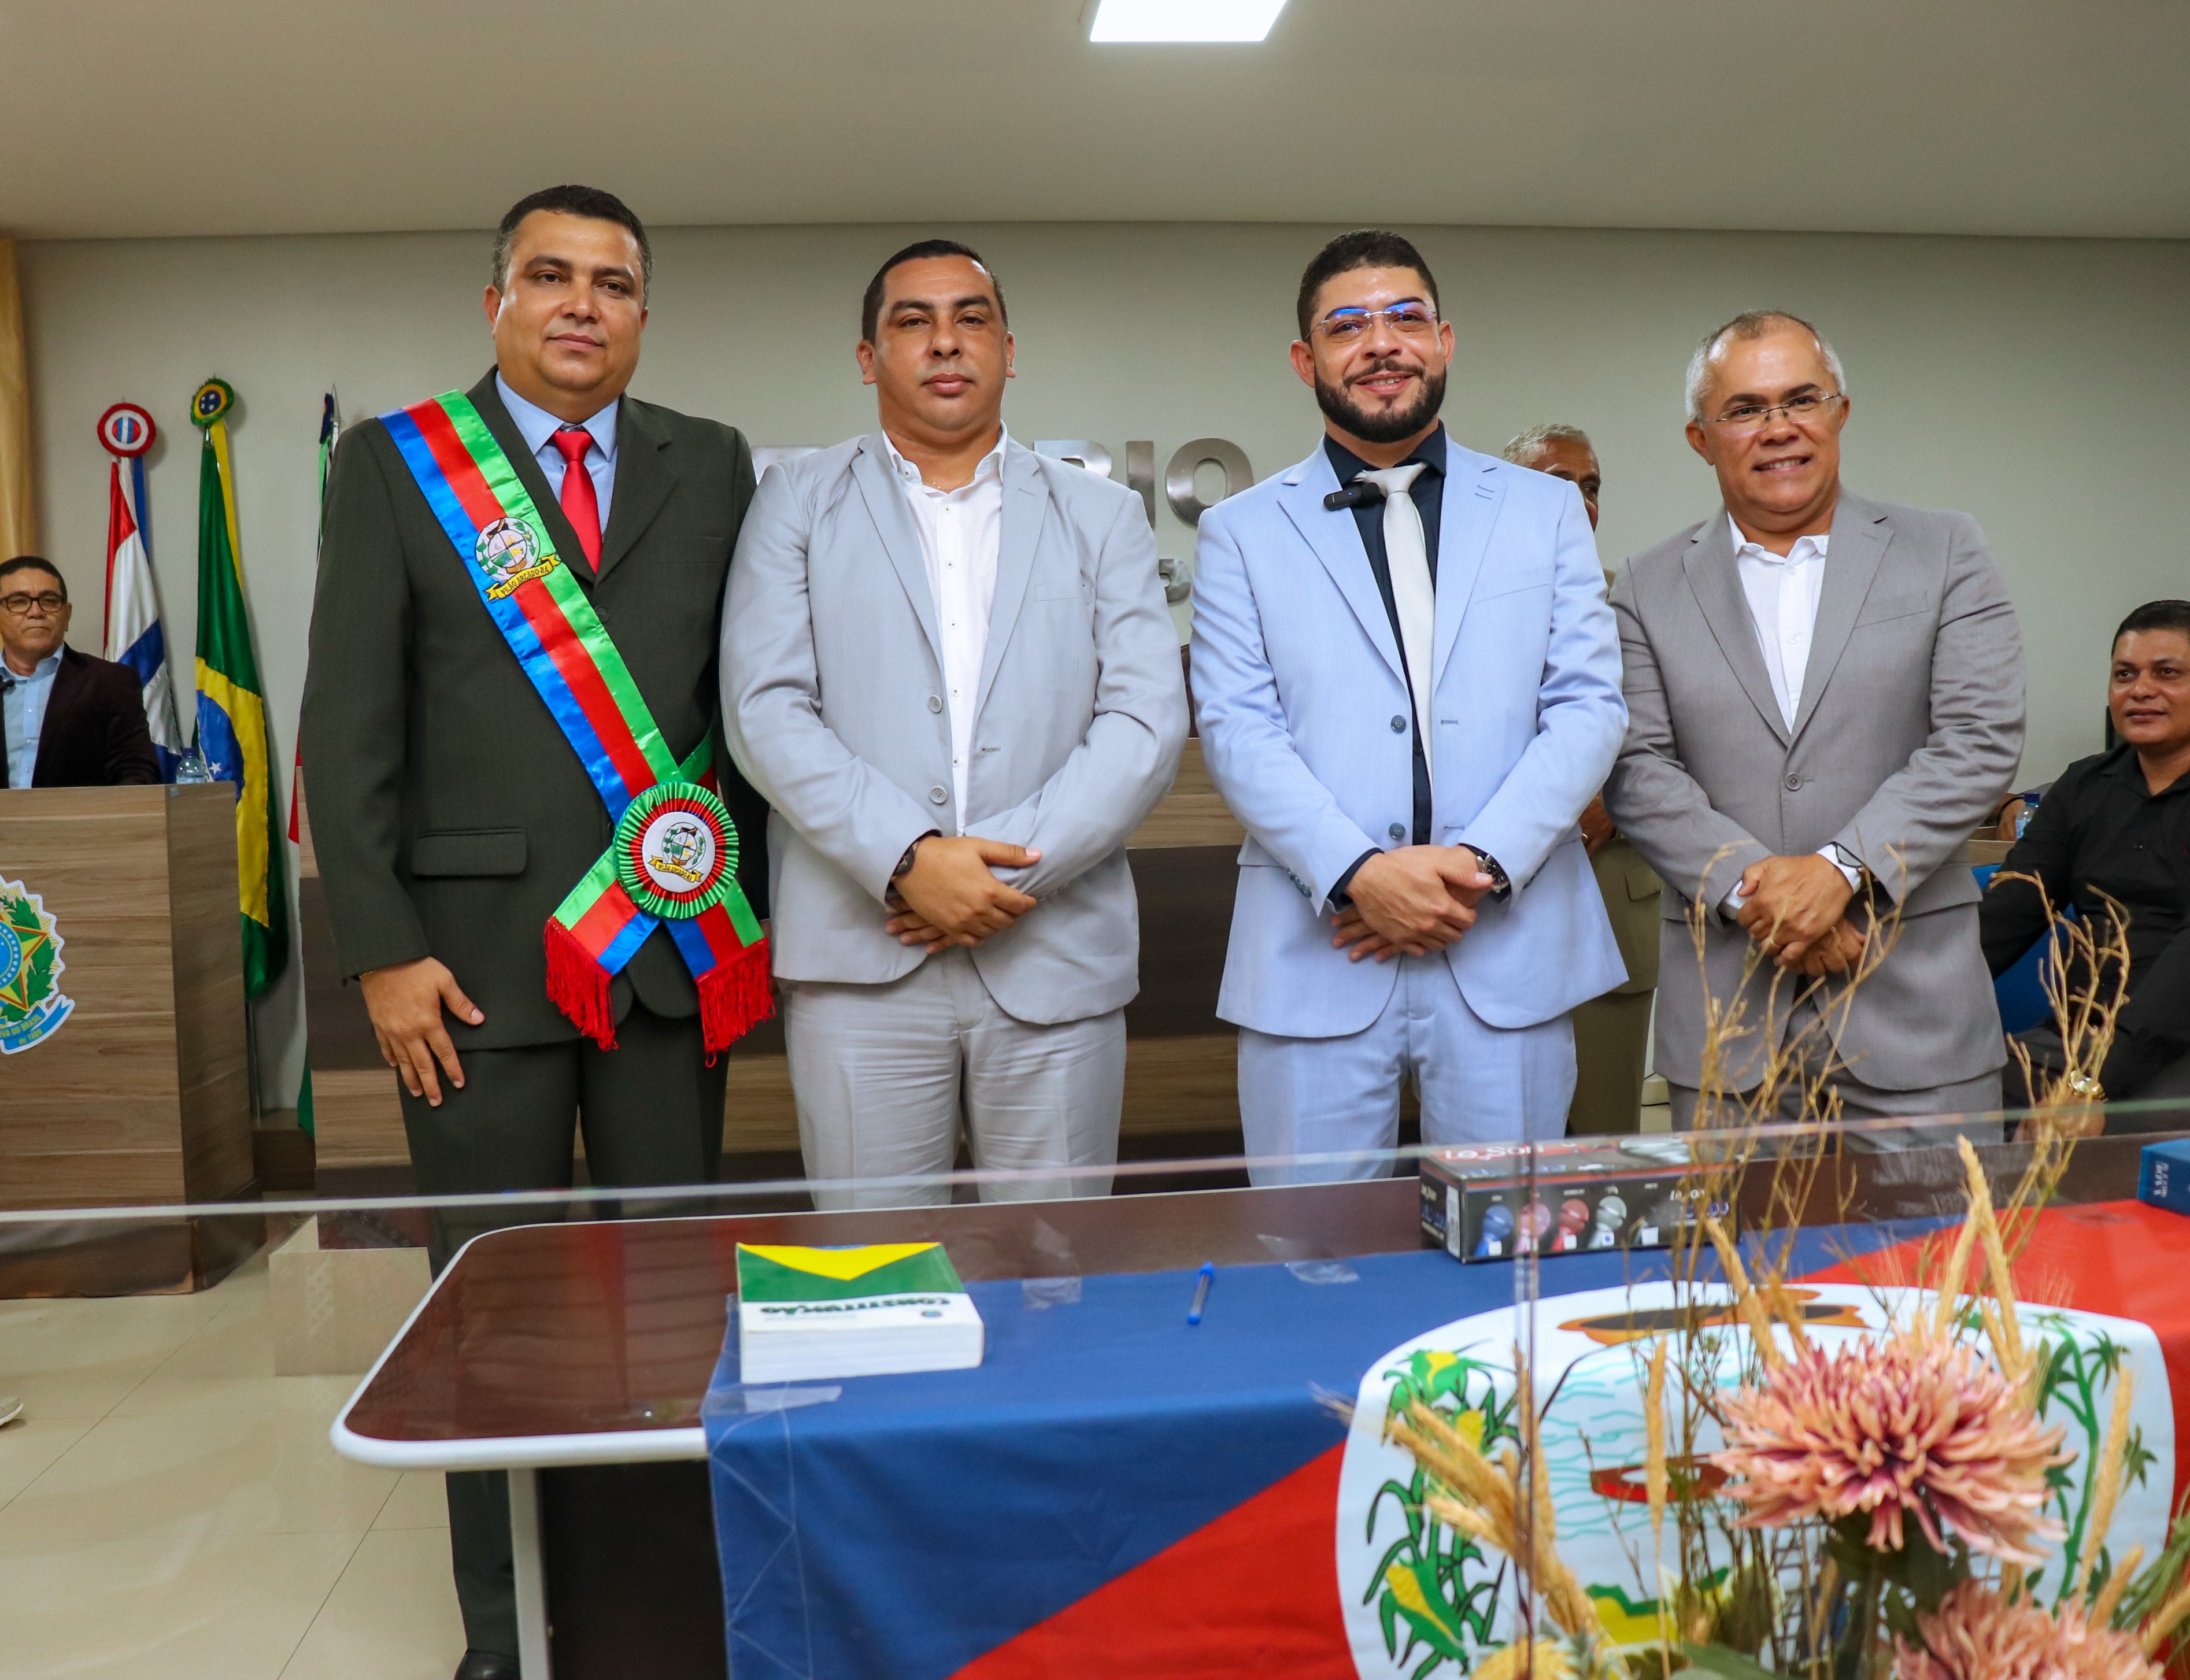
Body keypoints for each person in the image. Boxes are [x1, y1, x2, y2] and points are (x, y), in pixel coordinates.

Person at [300, 185, 769, 1680]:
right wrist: (379, 948)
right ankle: (508, 1634)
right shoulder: (397, 464)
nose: (582, 304)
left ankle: (652, 1611)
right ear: (495, 301)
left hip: (667, 957)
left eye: (612, 283)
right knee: (489, 1313)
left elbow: (741, 709)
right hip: (464, 969)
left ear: (643, 313)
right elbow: (347, 721)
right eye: (551, 276)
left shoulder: (713, 460)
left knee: (671, 1306)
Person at [724, 239, 1186, 1211]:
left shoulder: (1102, 515)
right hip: (861, 959)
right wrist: (910, 859)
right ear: (868, 358)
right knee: (878, 1266)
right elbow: (764, 707)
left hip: (1054, 953)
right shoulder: (793, 503)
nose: (945, 341)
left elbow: (1144, 718)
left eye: (971, 319)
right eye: (913, 321)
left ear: (1008, 351)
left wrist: (1001, 875)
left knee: (1057, 1268)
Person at [1189, 230, 1625, 1183]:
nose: (1380, 342)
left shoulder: (1544, 511)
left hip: (1508, 948)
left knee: (1511, 1245)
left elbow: (1589, 707)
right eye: (1347, 326)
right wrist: (1358, 874)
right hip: (1315, 956)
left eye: (1405, 318)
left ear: (1444, 340)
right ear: (1305, 359)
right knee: (1308, 1247)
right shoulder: (1239, 532)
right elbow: (1236, 728)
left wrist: (1477, 866)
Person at [1605, 310, 2025, 1128]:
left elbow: (1978, 740)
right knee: (1730, 1226)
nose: (1779, 428)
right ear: (1700, 438)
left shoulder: (1946, 551)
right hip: (1728, 1029)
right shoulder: (1644, 587)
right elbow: (1636, 768)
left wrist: (1839, 871)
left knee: (1939, 1223)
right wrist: (1762, 896)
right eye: (1745, 409)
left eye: (1801, 399)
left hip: (1917, 1019)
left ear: (1840, 411)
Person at [1982, 601, 2190, 1124]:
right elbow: (2006, 917)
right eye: (2125, 675)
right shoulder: (2084, 784)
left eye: (2167, 673)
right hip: (2079, 1036)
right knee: (1939, 1098)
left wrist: (2092, 1085)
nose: (2140, 690)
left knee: (2124, 1126)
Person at [1500, 427, 1658, 1134]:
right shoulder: (1454, 598)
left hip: (1609, 894)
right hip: (1491, 912)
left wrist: (1610, 804)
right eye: (1557, 483)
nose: (1578, 501)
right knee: (1502, 1148)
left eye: (1589, 487)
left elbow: (1682, 739)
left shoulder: (1637, 604)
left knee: (1603, 1141)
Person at [1, 556, 160, 789]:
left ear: (67, 615)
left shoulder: (110, 682)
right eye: (19, 602)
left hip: (86, 813)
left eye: (49, 601)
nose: (36, 612)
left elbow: (137, 773)